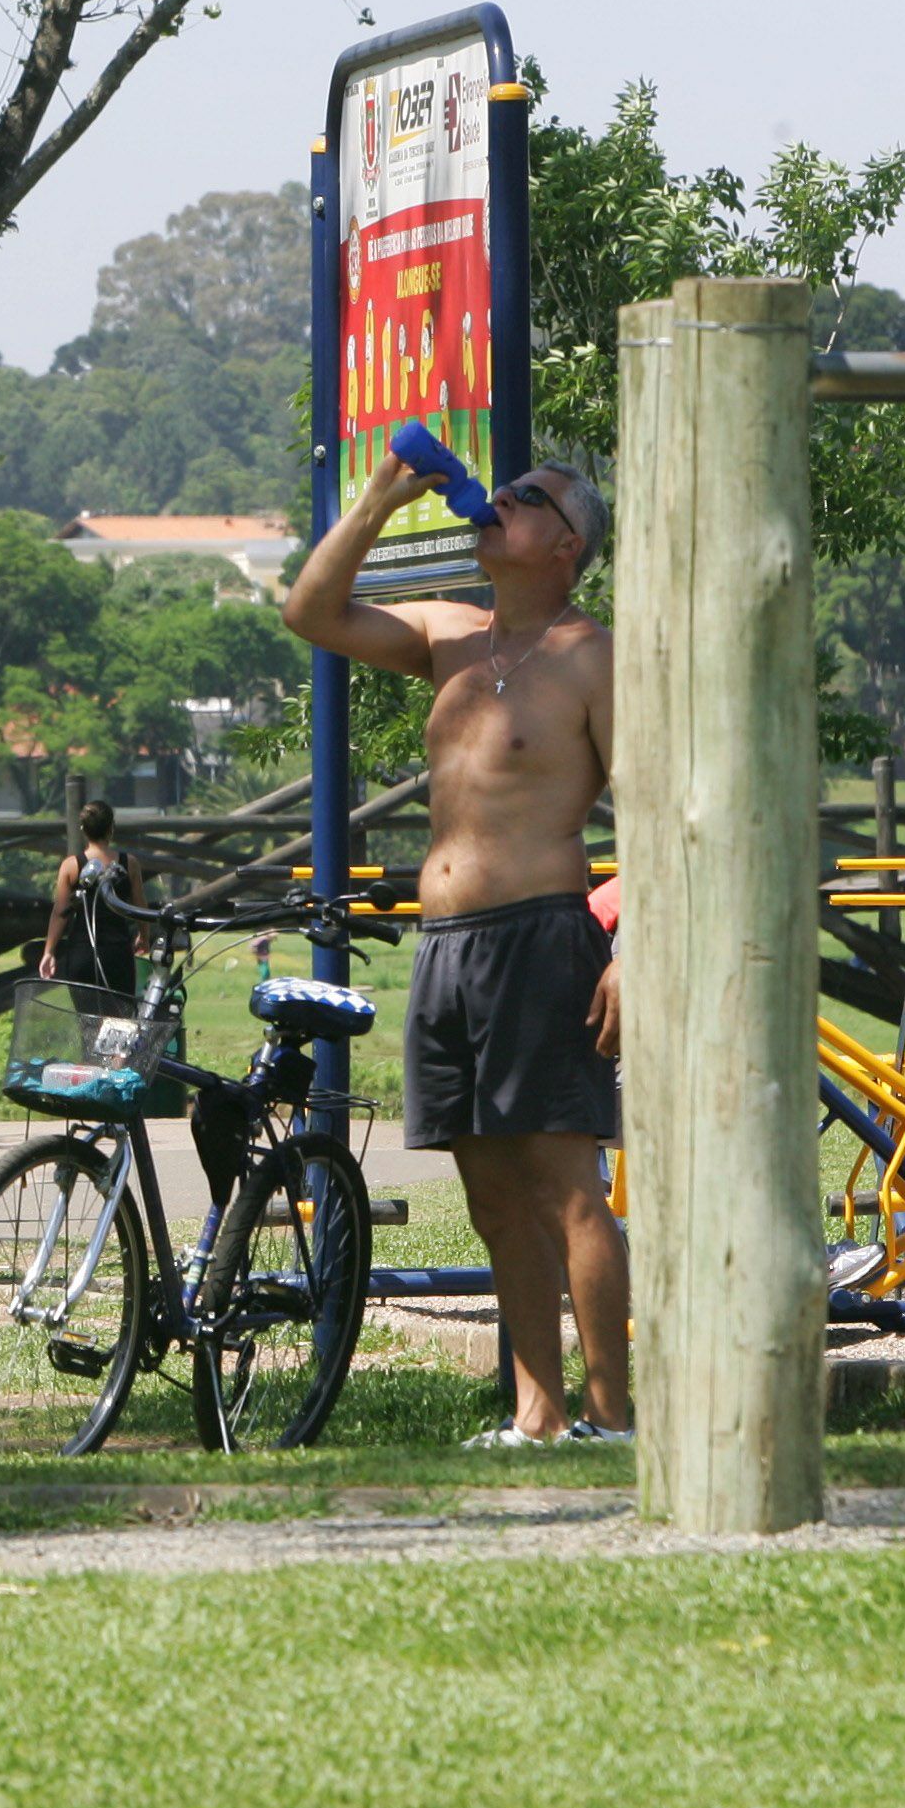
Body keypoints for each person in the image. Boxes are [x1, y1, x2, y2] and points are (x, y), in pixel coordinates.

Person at [283, 453, 629, 1446]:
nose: (502, 500)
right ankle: (539, 1415)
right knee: (491, 1196)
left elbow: (648, 802)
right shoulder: (448, 634)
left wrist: (631, 945)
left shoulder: (590, 654)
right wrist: (381, 500)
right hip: (446, 948)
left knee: (566, 1187)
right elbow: (311, 611)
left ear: (566, 546)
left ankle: (610, 1416)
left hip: (542, 936)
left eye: (531, 499)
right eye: (504, 489)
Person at [37, 798, 135, 991]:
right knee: (122, 1017)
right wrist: (144, 937)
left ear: (83, 829)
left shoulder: (71, 865)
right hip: (118, 951)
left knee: (85, 1017)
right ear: (111, 828)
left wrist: (49, 951)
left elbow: (60, 912)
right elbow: (139, 905)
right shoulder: (129, 863)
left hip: (83, 950)